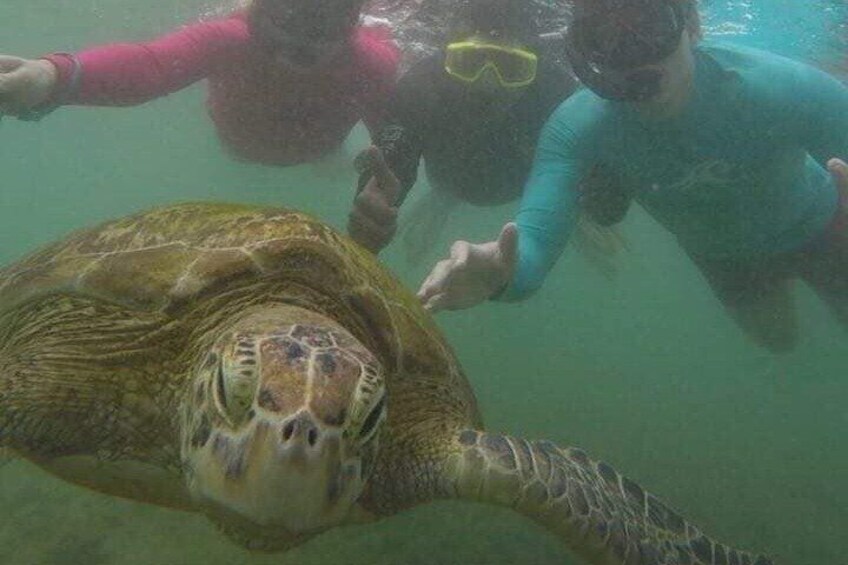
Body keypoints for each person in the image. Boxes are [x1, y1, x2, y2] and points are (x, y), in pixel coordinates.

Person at [417, 0, 848, 354]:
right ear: (583, 52)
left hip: (826, 229)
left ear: (691, 26)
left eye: (647, 25)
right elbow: (532, 241)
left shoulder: (775, 86)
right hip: (726, 261)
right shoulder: (578, 128)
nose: (630, 55)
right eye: (603, 38)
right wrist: (501, 274)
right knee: (780, 343)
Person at [346, 0, 624, 266]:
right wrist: (378, 196)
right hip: (458, 181)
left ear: (535, 69)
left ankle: (444, 200)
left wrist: (593, 196)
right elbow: (395, 151)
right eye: (470, 62)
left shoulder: (555, 95)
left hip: (462, 178)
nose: (488, 85)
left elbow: (602, 177)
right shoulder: (423, 86)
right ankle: (444, 200)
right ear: (447, 59)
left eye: (511, 68)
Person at [0, 0, 399, 166]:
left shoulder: (372, 62)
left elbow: (395, 135)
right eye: (288, 17)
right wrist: (50, 76)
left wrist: (384, 185)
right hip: (239, 148)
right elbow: (149, 67)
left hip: (316, 155)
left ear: (352, 22)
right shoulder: (230, 39)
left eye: (323, 24)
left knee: (336, 163)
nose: (301, 41)